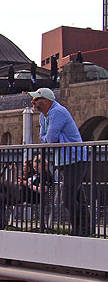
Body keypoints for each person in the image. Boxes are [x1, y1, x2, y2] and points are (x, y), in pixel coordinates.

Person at [30, 86, 91, 236]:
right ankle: (84, 229)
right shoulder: (43, 116)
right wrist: (47, 139)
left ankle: (79, 229)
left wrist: (48, 139)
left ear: (45, 101)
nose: (33, 102)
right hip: (64, 160)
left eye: (36, 99)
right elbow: (44, 137)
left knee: (68, 198)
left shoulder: (57, 112)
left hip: (75, 158)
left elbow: (49, 139)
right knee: (77, 197)